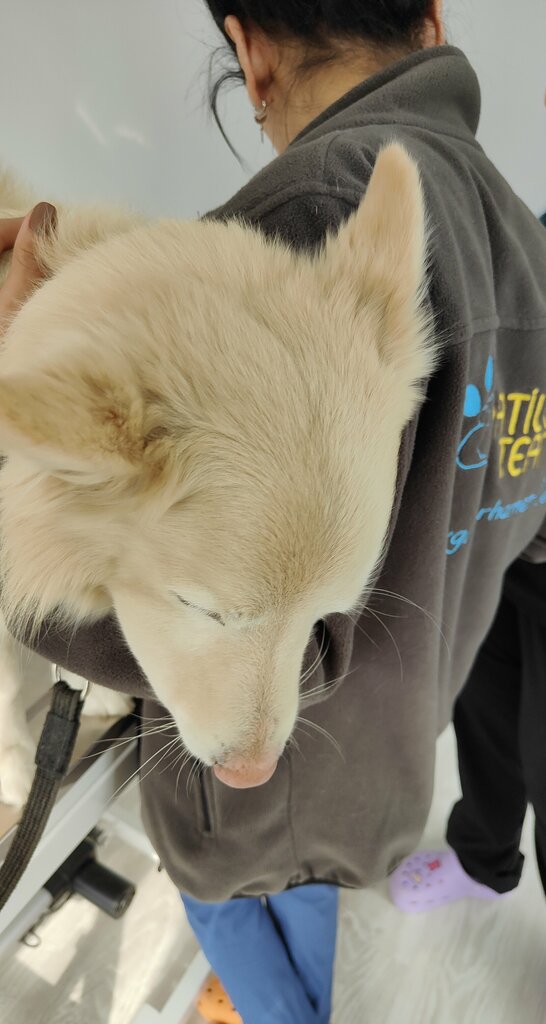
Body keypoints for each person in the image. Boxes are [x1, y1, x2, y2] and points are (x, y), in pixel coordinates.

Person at [1, 3, 546, 1022]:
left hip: (246, 814)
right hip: (387, 764)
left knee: (227, 905)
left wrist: (32, 358)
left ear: (249, 54)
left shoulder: (288, 243)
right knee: (318, 894)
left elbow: (74, 587)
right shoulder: (517, 229)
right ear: (429, 22)